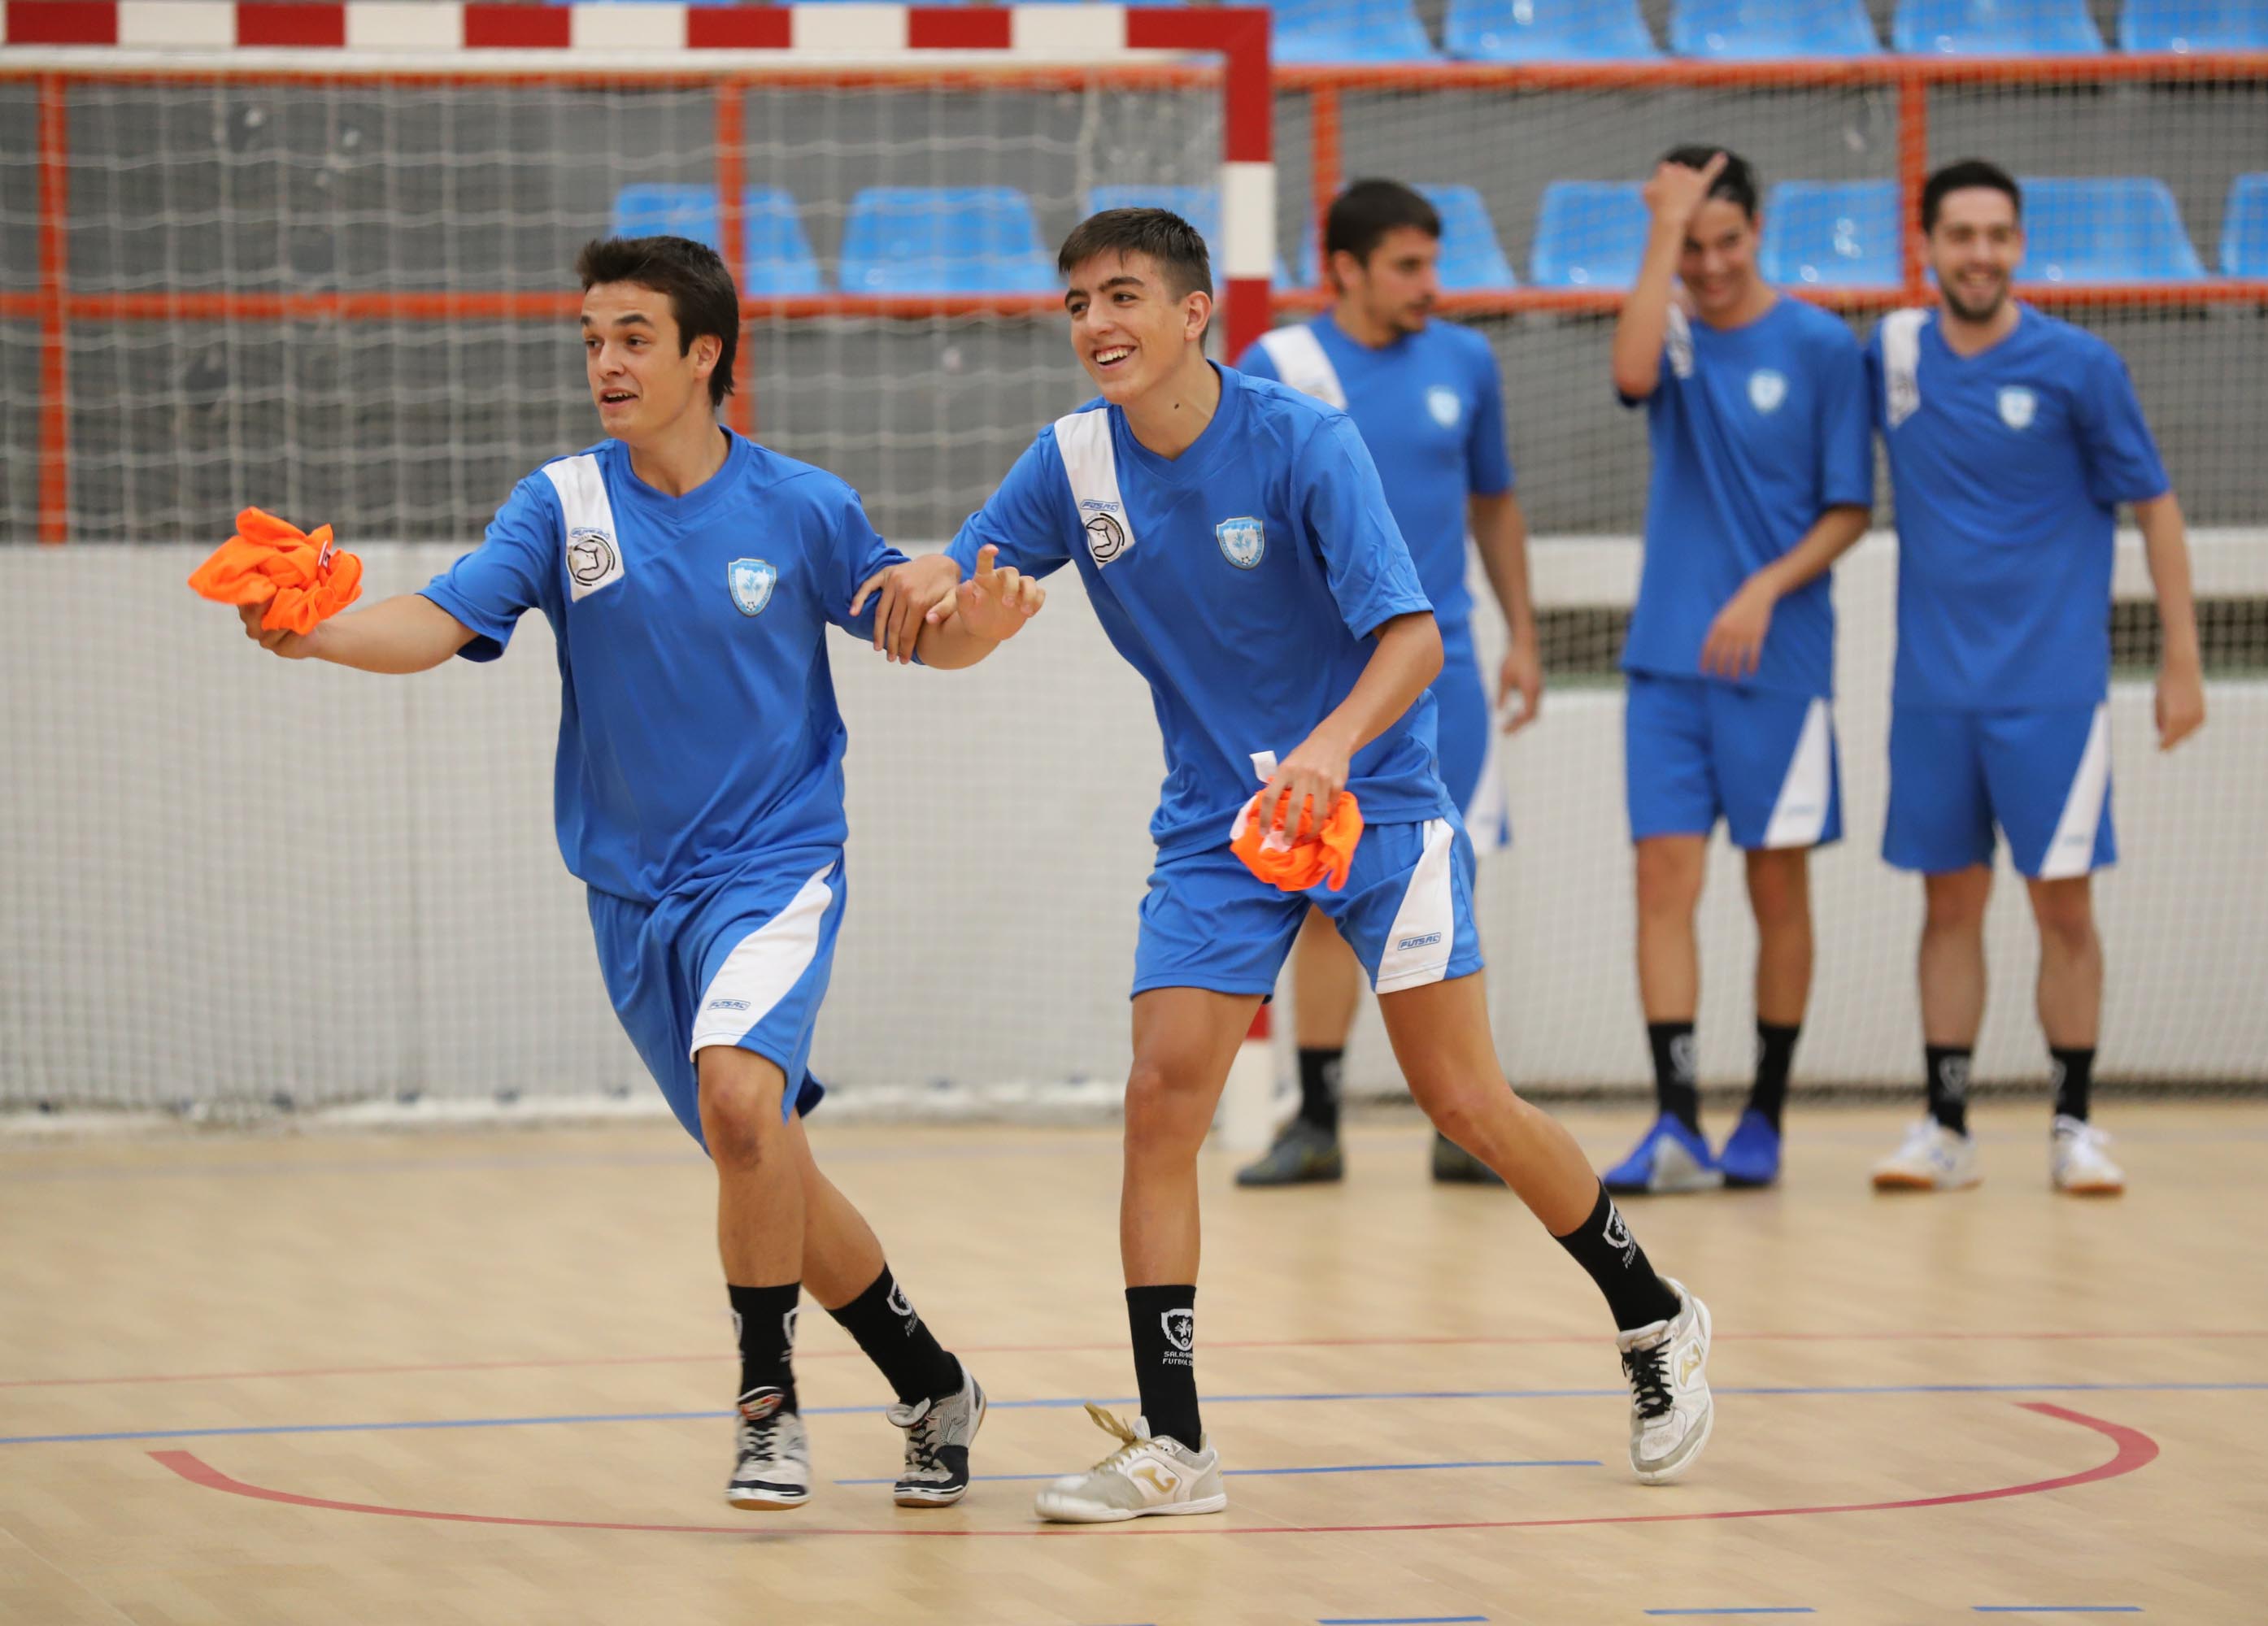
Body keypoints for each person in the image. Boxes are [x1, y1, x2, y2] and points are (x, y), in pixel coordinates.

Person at [882, 207, 1715, 1524]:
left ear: (1195, 312)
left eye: (1124, 297)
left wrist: (1328, 750)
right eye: (1078, 305)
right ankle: (1176, 1444)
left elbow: (1416, 642)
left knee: (1466, 1103)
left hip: (1377, 803)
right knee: (1163, 1098)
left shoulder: (1303, 444)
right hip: (1223, 825)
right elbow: (971, 610)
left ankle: (1655, 1318)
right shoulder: (1072, 465)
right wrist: (952, 604)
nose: (1097, 324)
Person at [224, 235, 1048, 1511]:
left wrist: (974, 635)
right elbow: (441, 621)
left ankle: (766, 1409)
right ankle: (936, 1386)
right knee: (762, 1153)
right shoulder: (560, 504)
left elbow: (918, 632)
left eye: (633, 338)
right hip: (631, 899)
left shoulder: (802, 505)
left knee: (738, 1106)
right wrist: (316, 633)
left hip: (776, 865)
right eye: (592, 338)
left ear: (704, 353)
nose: (605, 362)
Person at [1865, 159, 2206, 1195]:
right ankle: (1946, 1126)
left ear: (2020, 246)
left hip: (2052, 693)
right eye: (1960, 235)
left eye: (1997, 235)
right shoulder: (1891, 353)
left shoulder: (2080, 365)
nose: (1979, 253)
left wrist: (2180, 658)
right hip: (1931, 691)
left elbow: (2155, 506)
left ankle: (2073, 1126)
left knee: (2063, 908)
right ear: (1927, 247)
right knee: (1948, 907)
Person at [1233, 177, 1540, 1188]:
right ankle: (1315, 1117)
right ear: (1346, 270)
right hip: (1326, 687)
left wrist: (1522, 636)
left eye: (1433, 261)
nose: (1429, 284)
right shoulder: (1281, 364)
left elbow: (1494, 505)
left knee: (1448, 887)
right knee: (1324, 890)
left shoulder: (1469, 359)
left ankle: (1464, 1118)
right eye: (1407, 265)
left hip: (1437, 671)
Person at [1603, 146, 1874, 1195]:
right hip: (1666, 661)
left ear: (1758, 232)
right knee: (1661, 883)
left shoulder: (1817, 343)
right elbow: (1628, 375)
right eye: (1692, 245)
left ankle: (1765, 1111)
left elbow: (1851, 505)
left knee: (1777, 885)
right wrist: (1660, 232)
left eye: (1727, 242)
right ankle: (1676, 1119)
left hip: (1780, 660)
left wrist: (1766, 586)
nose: (1710, 266)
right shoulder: (1665, 329)